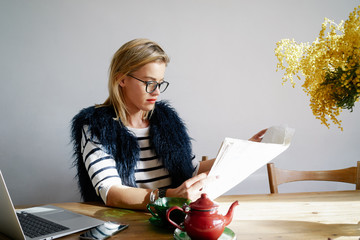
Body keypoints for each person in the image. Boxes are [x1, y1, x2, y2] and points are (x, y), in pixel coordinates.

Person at [71, 38, 266, 210]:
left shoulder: (167, 121)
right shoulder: (96, 127)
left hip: (172, 221)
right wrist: (168, 197)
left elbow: (189, 169)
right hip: (125, 226)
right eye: (149, 82)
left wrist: (241, 153)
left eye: (160, 83)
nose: (156, 92)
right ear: (121, 79)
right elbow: (111, 193)